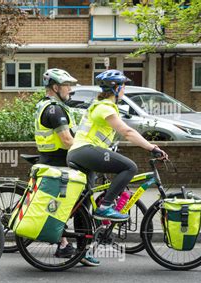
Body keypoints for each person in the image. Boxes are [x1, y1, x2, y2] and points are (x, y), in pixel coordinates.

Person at [67, 69, 168, 222]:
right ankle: (105, 207)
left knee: (85, 199)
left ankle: (83, 243)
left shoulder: (100, 105)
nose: (124, 89)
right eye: (123, 86)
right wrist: (151, 148)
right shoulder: (104, 108)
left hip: (81, 152)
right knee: (130, 167)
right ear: (116, 88)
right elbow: (127, 132)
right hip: (85, 150)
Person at [34, 68, 100, 266]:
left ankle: (64, 244)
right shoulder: (55, 109)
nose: (70, 90)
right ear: (55, 87)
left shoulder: (46, 105)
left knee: (63, 206)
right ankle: (82, 249)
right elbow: (66, 140)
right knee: (81, 204)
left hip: (52, 162)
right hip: (60, 164)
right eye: (66, 86)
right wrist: (90, 152)